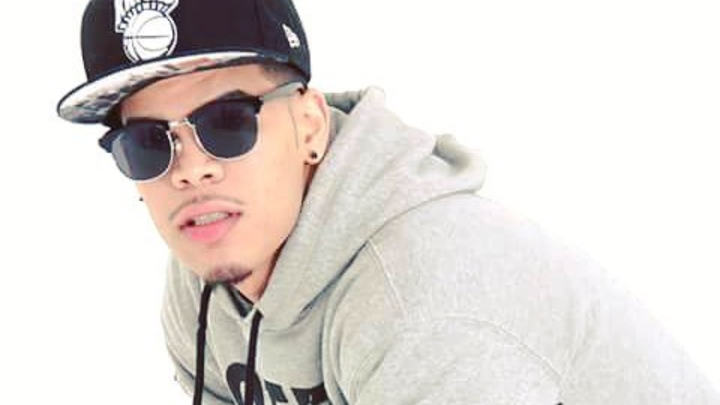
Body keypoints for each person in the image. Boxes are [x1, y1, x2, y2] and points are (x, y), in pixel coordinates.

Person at [57, 0, 720, 404]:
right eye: (148, 144)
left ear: (309, 125)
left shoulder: (424, 300)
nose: (191, 171)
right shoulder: (206, 279)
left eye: (229, 122)